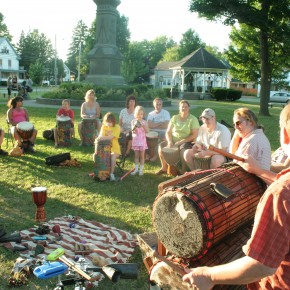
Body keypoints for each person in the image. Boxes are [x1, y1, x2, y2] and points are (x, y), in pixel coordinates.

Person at [182, 104, 290, 290]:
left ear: (286, 134)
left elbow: (261, 264)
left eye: (239, 123)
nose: (237, 127)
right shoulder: (255, 137)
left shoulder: (281, 193)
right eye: (234, 124)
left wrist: (208, 274)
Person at [156, 100, 199, 175]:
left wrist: (181, 141)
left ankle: (183, 170)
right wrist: (169, 141)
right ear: (179, 108)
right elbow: (168, 132)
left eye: (186, 107)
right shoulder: (174, 118)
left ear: (188, 108)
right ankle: (164, 168)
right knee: (161, 147)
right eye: (182, 107)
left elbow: (194, 135)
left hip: (187, 141)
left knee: (183, 151)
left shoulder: (193, 119)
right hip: (173, 140)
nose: (184, 108)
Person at [96, 112, 121, 181]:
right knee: (96, 155)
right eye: (107, 122)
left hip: (115, 149)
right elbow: (100, 135)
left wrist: (101, 138)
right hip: (104, 149)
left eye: (110, 122)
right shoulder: (104, 127)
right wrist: (100, 137)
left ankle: (111, 174)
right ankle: (100, 171)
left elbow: (111, 137)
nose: (109, 123)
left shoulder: (117, 127)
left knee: (112, 157)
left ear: (114, 121)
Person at [130, 106, 149, 176]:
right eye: (138, 114)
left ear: (143, 114)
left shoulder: (144, 122)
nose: (139, 116)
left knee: (142, 156)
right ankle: (136, 169)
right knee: (136, 156)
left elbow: (147, 131)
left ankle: (141, 170)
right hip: (135, 141)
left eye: (141, 114)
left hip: (142, 141)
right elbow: (132, 131)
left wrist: (143, 126)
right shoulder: (133, 121)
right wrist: (135, 127)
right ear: (135, 114)